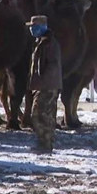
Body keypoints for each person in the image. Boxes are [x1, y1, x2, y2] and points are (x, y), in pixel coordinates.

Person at [27, 15, 62, 154]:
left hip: (46, 86)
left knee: (39, 115)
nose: (31, 29)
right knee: (45, 115)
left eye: (33, 27)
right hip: (42, 85)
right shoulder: (40, 42)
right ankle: (45, 143)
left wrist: (43, 81)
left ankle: (44, 143)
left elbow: (52, 65)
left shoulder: (49, 43)